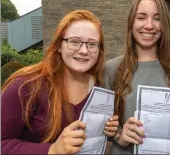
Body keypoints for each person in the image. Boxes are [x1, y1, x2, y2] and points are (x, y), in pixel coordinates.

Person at [1, 10, 119, 154]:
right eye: (74, 42)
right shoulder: (25, 86)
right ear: (58, 46)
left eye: (92, 44)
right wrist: (52, 150)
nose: (84, 50)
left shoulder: (101, 88)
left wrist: (110, 132)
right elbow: (3, 144)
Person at [104, 0, 170, 154]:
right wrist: (119, 135)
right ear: (131, 22)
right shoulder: (111, 68)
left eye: (157, 18)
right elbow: (104, 125)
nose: (149, 25)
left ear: (164, 24)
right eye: (141, 17)